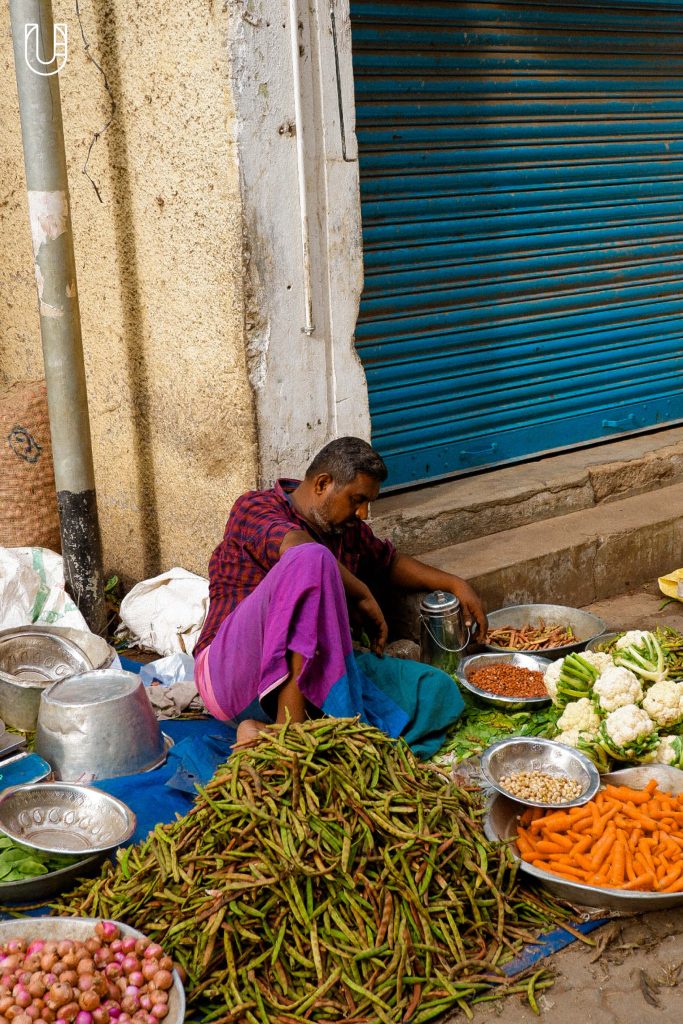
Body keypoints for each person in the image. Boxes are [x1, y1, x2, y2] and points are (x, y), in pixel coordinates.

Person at [193, 436, 487, 757]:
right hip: (234, 677)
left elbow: (389, 563)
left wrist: (455, 584)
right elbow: (300, 548)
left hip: (310, 675)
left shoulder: (345, 530)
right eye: (357, 499)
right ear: (322, 484)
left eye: (367, 503)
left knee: (436, 691)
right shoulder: (256, 507)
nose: (362, 513)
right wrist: (359, 591)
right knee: (312, 560)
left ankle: (289, 737)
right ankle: (288, 733)